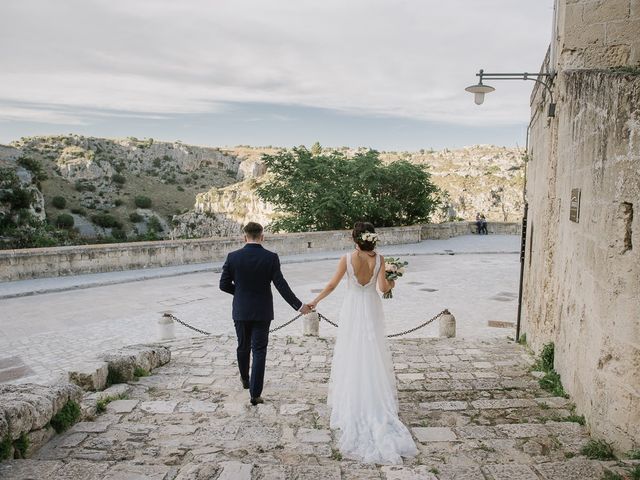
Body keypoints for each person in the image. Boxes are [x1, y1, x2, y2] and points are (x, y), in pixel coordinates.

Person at [308, 221, 417, 464]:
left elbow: (332, 285)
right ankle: (375, 396)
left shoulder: (347, 258)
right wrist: (393, 280)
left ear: (354, 239)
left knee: (352, 352)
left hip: (353, 309)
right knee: (373, 350)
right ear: (372, 239)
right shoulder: (379, 259)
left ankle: (353, 396)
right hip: (372, 307)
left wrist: (315, 301)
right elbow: (382, 288)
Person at [220, 222, 311, 406]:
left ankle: (245, 378)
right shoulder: (271, 258)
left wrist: (239, 293)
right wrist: (299, 306)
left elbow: (223, 285)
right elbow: (281, 285)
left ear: (244, 237)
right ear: (262, 236)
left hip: (241, 310)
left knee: (242, 346)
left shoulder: (233, 257)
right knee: (259, 351)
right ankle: (255, 394)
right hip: (262, 311)